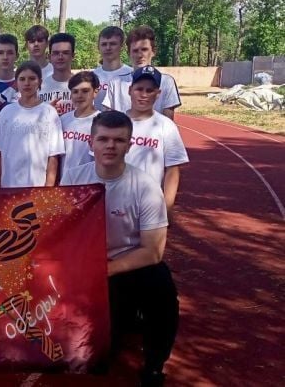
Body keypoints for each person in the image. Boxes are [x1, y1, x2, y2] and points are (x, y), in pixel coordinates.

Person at [61, 111, 179, 386]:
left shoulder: (146, 187)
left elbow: (153, 251)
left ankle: (154, 365)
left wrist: (106, 270)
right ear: (91, 143)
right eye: (103, 139)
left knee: (161, 286)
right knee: (99, 353)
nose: (110, 146)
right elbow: (62, 230)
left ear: (129, 144)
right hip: (85, 265)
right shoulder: (73, 178)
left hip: (127, 265)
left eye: (118, 140)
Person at [124, 66, 189, 214]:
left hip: (150, 204)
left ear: (158, 94)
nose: (144, 95)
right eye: (139, 89)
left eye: (150, 90)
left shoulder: (166, 126)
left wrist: (167, 207)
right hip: (115, 200)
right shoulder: (116, 122)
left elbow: (173, 169)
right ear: (130, 90)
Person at [0, 61, 65, 187]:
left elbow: (53, 156)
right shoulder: (6, 112)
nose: (27, 83)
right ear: (16, 83)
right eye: (22, 79)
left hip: (38, 187)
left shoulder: (49, 112)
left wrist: (48, 189)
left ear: (40, 82)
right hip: (8, 186)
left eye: (32, 78)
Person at [103, 26, 182, 119]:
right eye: (135, 51)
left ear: (153, 51)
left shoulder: (166, 82)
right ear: (129, 53)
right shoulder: (116, 83)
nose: (140, 55)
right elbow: (107, 119)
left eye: (144, 49)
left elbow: (168, 121)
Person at [60, 71, 100, 180]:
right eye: (75, 91)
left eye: (85, 91)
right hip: (64, 182)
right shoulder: (63, 120)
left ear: (95, 92)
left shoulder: (101, 122)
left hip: (89, 183)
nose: (79, 96)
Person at [93, 26, 133, 111]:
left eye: (113, 44)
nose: (108, 48)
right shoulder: (92, 76)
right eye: (104, 44)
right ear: (98, 47)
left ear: (122, 46)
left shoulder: (132, 75)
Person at [40, 32, 76, 115]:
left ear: (73, 56)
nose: (60, 57)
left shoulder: (82, 85)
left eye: (65, 53)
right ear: (49, 57)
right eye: (56, 53)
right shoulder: (40, 86)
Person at [0, 33, 19, 113]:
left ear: (17, 56)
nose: (5, 57)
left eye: (10, 53)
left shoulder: (24, 82)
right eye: (0, 53)